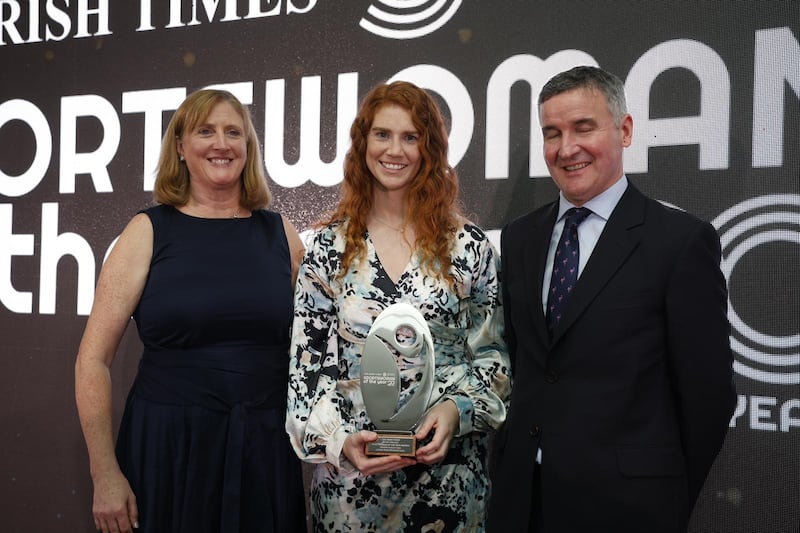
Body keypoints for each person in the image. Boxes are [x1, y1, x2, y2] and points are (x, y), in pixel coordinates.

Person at [487, 66, 736, 533]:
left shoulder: (679, 242)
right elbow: (524, 367)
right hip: (520, 505)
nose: (567, 148)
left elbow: (709, 397)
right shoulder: (521, 238)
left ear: (624, 130)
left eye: (584, 127)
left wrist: (664, 498)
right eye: (552, 133)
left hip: (627, 510)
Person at [74, 89, 307, 533]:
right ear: (180, 147)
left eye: (233, 132)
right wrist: (104, 473)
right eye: (206, 131)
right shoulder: (146, 231)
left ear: (248, 147)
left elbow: (321, 347)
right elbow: (92, 360)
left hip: (261, 452)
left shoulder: (281, 234)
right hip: (166, 453)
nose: (221, 143)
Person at [286, 80, 511, 532]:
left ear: (430, 148)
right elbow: (305, 376)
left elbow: (493, 363)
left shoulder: (468, 247)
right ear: (362, 143)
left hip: (449, 488)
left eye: (411, 137)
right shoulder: (328, 250)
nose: (396, 150)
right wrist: (340, 441)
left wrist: (457, 412)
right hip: (350, 495)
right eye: (383, 134)